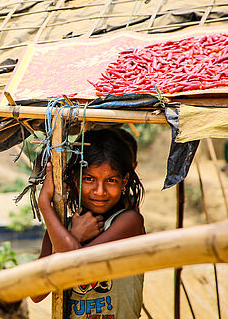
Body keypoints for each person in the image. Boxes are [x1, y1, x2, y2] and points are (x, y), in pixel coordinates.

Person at [31, 129, 145, 318]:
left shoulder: (128, 222)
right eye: (89, 179)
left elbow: (80, 267)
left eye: (111, 180)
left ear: (124, 181)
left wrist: (45, 205)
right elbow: (36, 292)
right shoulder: (59, 228)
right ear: (75, 177)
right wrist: (71, 233)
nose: (100, 191)